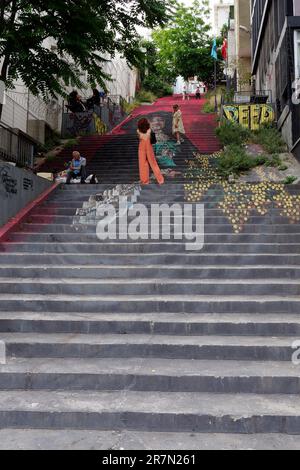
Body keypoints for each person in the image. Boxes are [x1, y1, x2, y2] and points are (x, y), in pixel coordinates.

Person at [137, 118, 164, 185]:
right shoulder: (150, 131)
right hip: (149, 148)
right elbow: (154, 141)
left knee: (142, 164)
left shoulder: (138, 131)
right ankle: (160, 180)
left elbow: (139, 138)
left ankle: (145, 181)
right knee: (153, 163)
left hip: (141, 148)